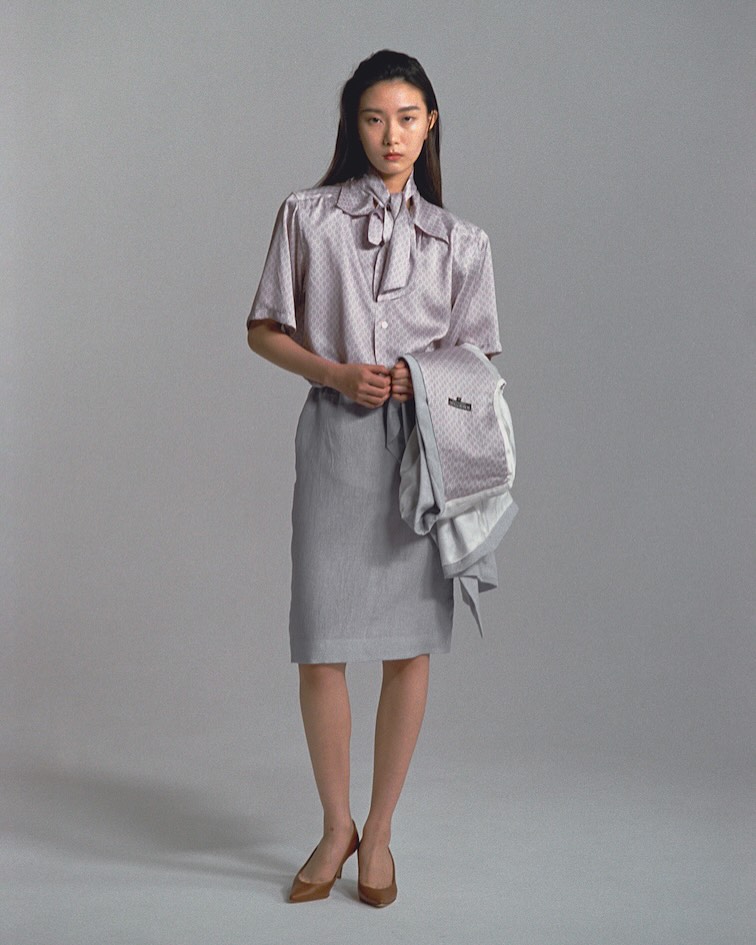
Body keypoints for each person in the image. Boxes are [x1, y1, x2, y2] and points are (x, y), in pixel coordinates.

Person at [246, 49, 503, 907]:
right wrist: (334, 372)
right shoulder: (307, 217)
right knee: (320, 642)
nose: (391, 134)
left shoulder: (463, 243)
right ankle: (335, 825)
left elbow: (479, 362)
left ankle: (380, 831)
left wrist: (418, 377)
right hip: (334, 445)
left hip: (424, 453)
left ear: (431, 125)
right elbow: (262, 328)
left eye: (407, 117)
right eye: (373, 117)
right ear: (352, 125)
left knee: (408, 645)